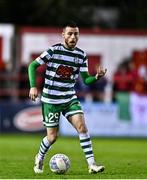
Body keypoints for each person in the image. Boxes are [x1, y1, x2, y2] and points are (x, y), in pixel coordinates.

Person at [28, 21, 107, 174]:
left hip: (69, 98)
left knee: (82, 128)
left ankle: (92, 165)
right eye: (70, 33)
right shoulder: (53, 51)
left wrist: (96, 76)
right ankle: (40, 156)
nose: (73, 37)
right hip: (50, 100)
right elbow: (32, 66)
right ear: (63, 35)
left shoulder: (81, 55)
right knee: (52, 137)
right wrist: (33, 86)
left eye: (76, 34)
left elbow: (86, 79)